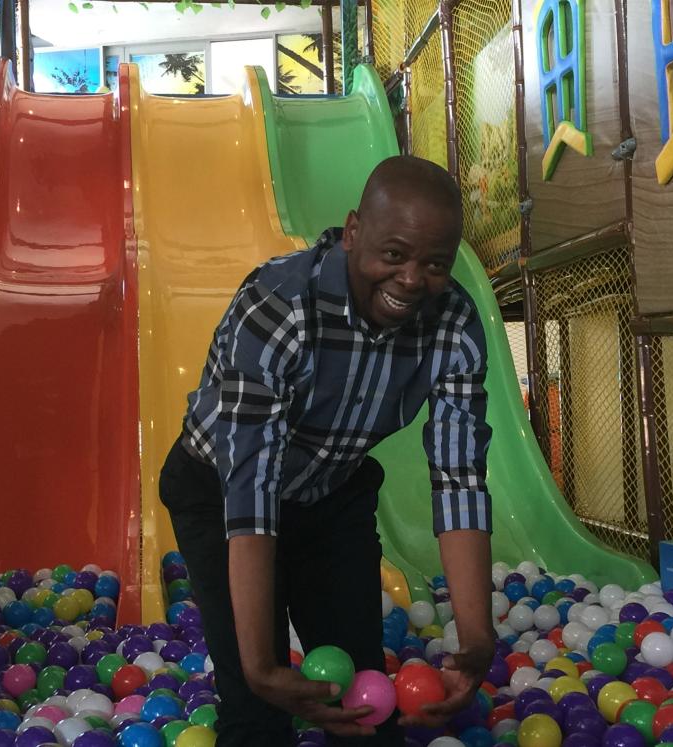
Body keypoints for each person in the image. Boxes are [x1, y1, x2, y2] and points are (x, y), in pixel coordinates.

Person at [159, 155, 495, 745]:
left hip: (331, 490)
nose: (413, 279)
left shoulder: (454, 325)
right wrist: (262, 666)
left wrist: (475, 638)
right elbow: (252, 490)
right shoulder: (280, 305)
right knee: (254, 705)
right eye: (393, 255)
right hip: (220, 490)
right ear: (353, 232)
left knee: (362, 701)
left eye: (435, 264)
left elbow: (460, 477)